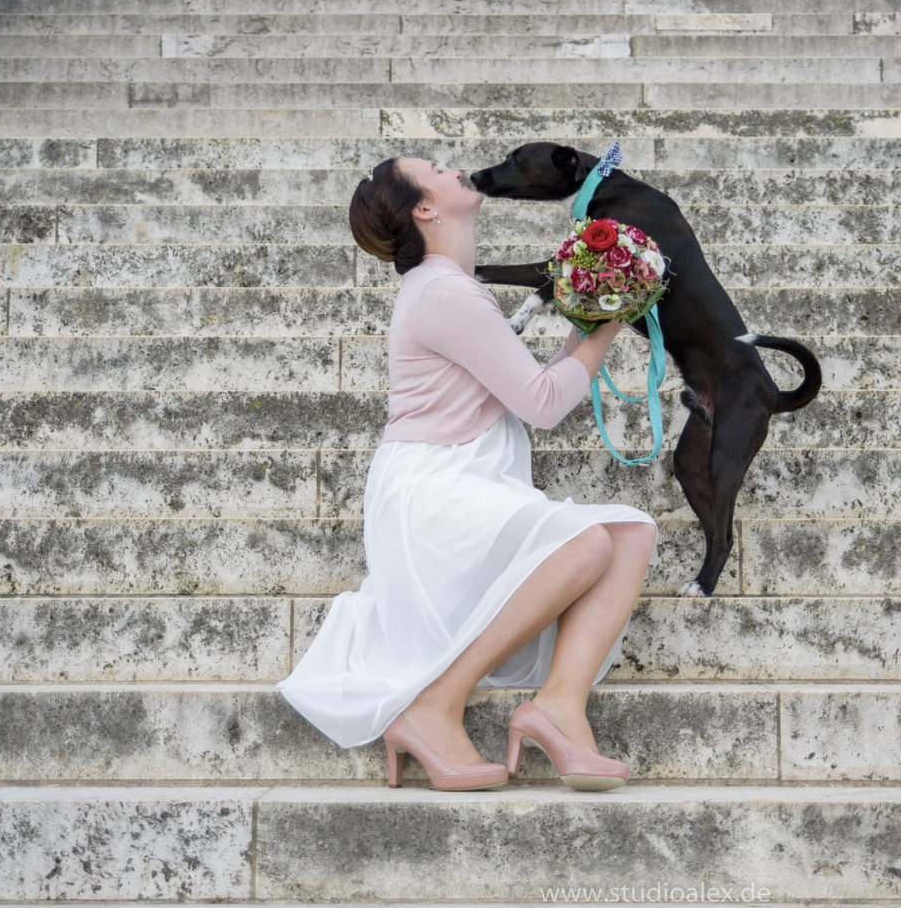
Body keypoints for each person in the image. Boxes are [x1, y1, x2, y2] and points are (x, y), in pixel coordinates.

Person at [277, 157, 658, 793]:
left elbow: (533, 389)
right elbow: (541, 402)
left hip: (461, 477)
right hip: (433, 489)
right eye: (436, 168)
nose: (455, 167)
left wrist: (593, 311)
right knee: (585, 544)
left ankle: (559, 707)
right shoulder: (443, 291)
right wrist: (615, 311)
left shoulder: (445, 286)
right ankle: (434, 704)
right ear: (424, 209)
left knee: (629, 535)